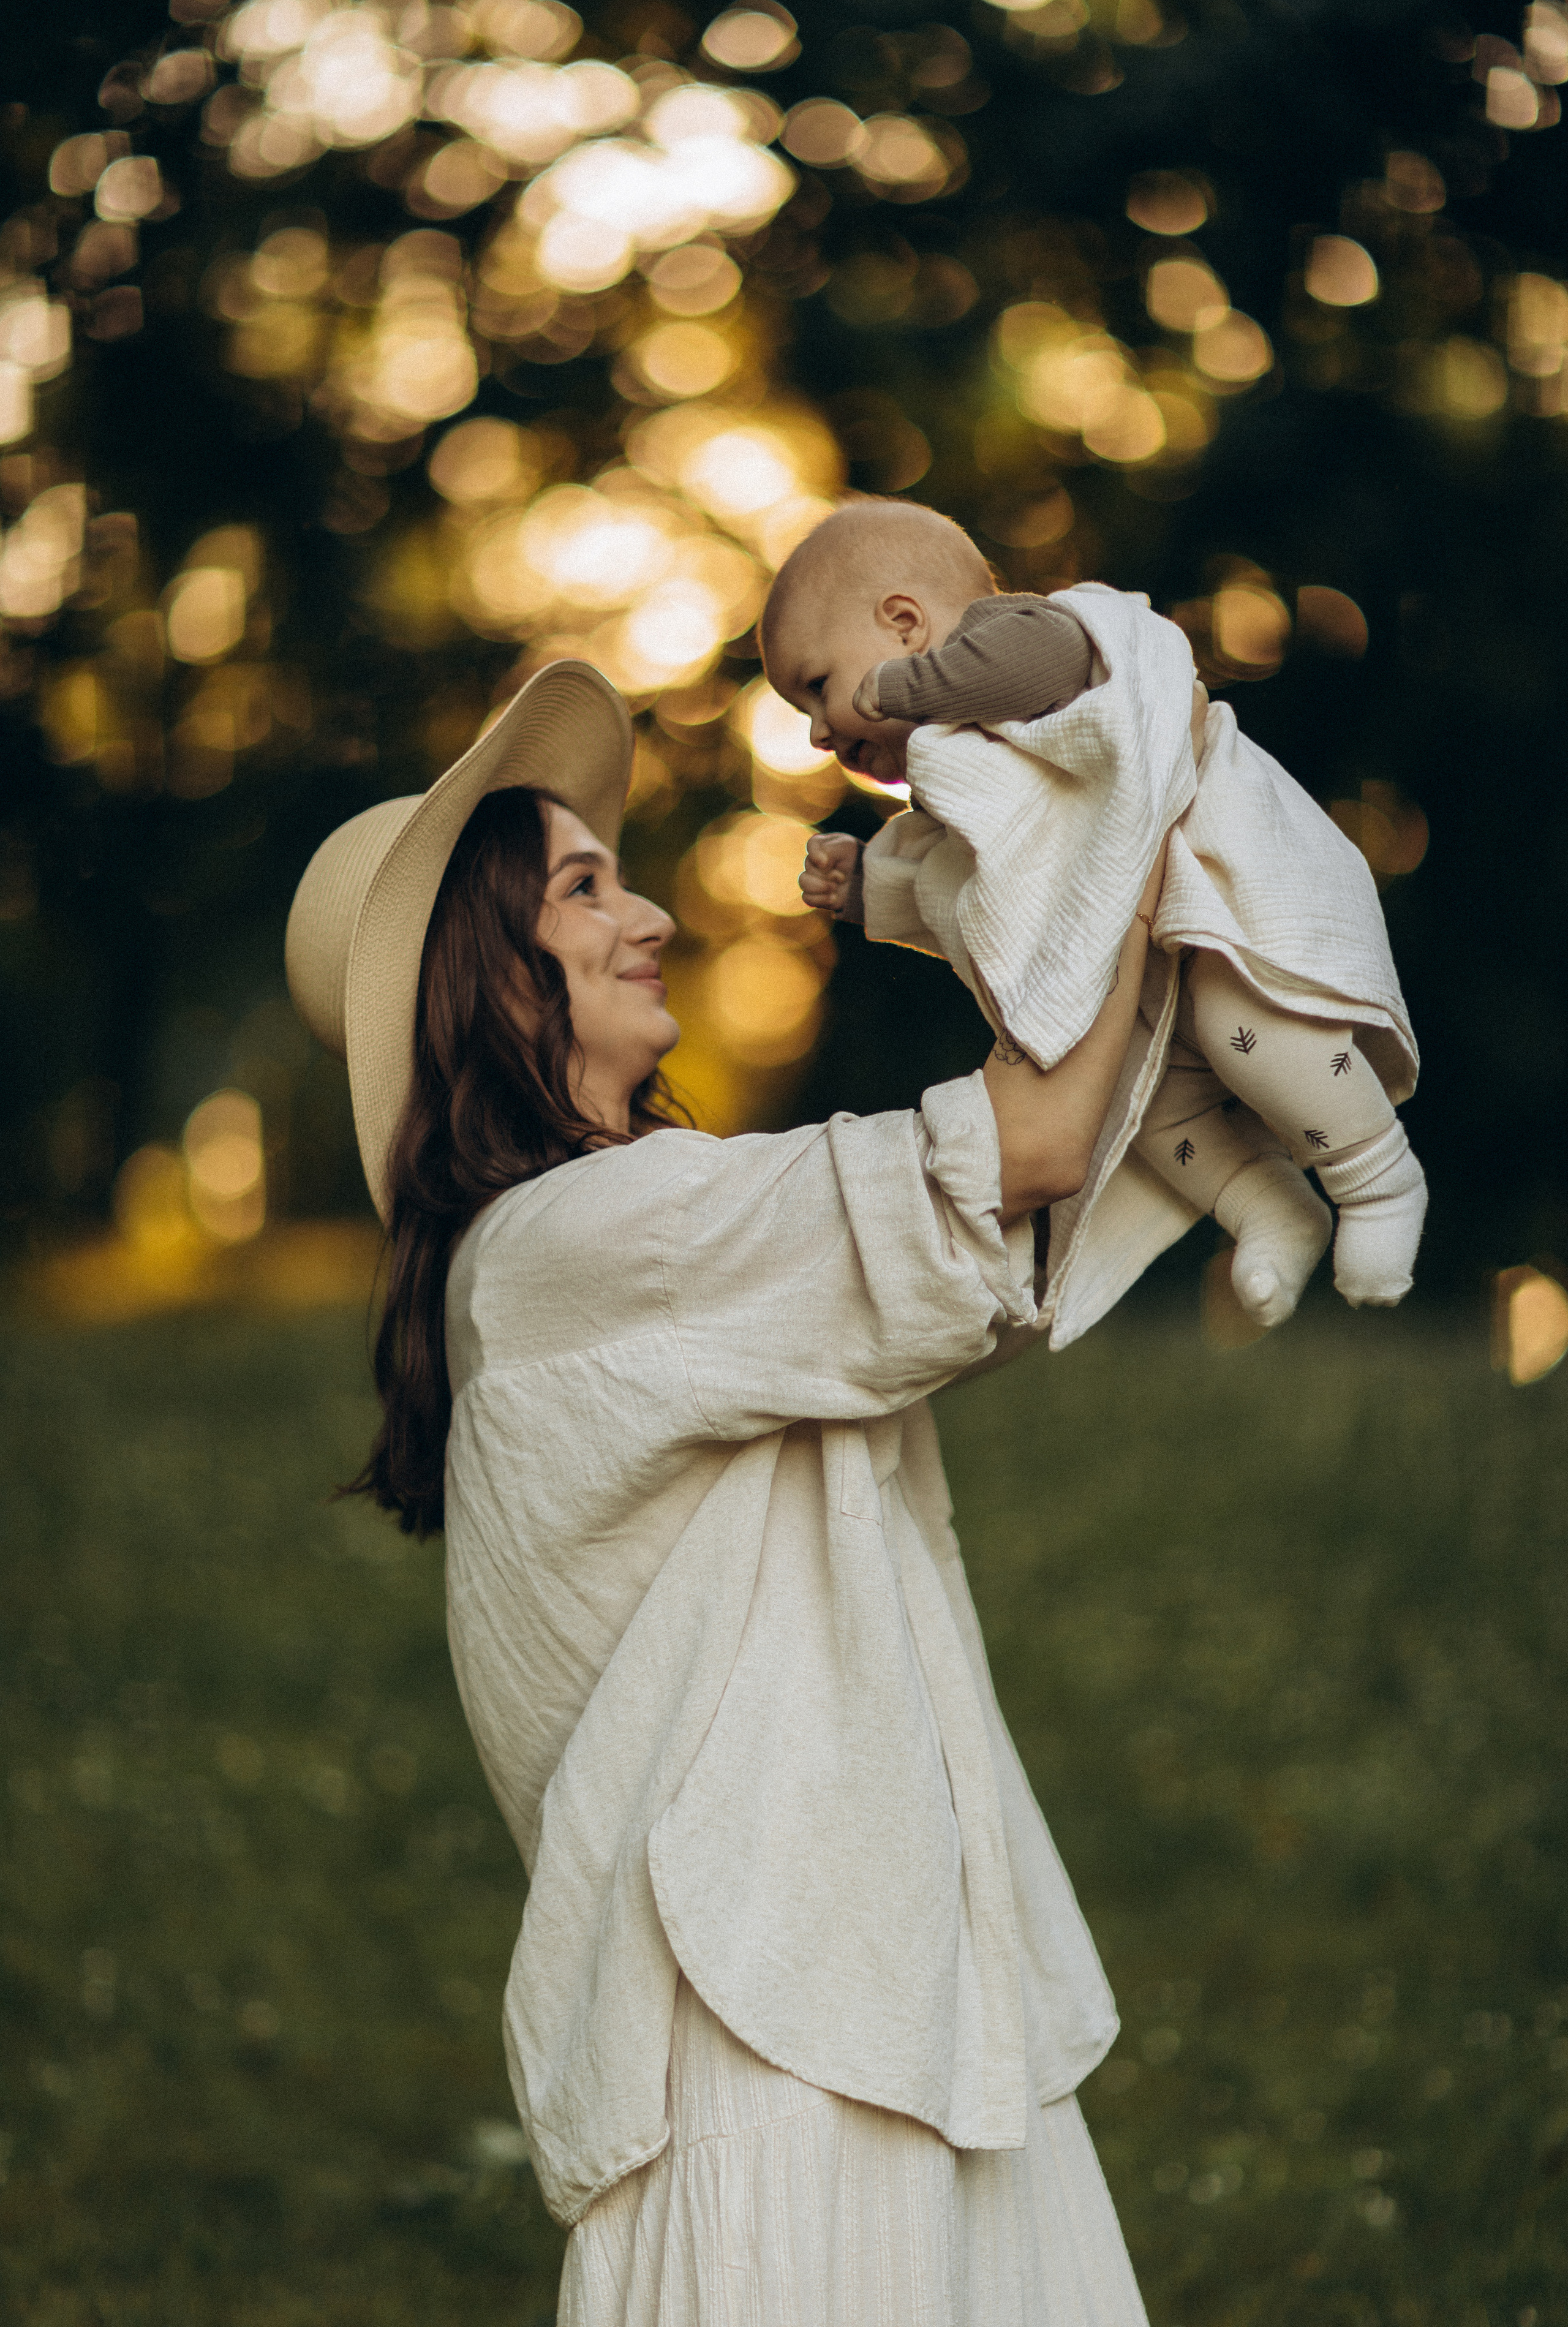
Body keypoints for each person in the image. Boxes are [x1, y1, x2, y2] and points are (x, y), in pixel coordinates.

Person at [284, 656, 1166, 2325]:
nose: (650, 919)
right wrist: (1124, 792)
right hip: (782, 2062)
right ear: (493, 969)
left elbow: (1033, 1214)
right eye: (584, 887)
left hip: (860, 2003)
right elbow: (1030, 1150)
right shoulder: (578, 1247)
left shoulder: (620, 1255)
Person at [761, 503, 1427, 1349]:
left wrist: (896, 691)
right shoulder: (962, 783)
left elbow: (1039, 666)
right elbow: (972, 891)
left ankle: (1378, 1181)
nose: (820, 732)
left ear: (904, 624)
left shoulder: (1033, 637)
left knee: (1247, 1025)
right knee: (1146, 1114)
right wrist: (869, 891)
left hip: (1220, 887)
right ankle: (1270, 1207)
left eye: (818, 687)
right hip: (1156, 975)